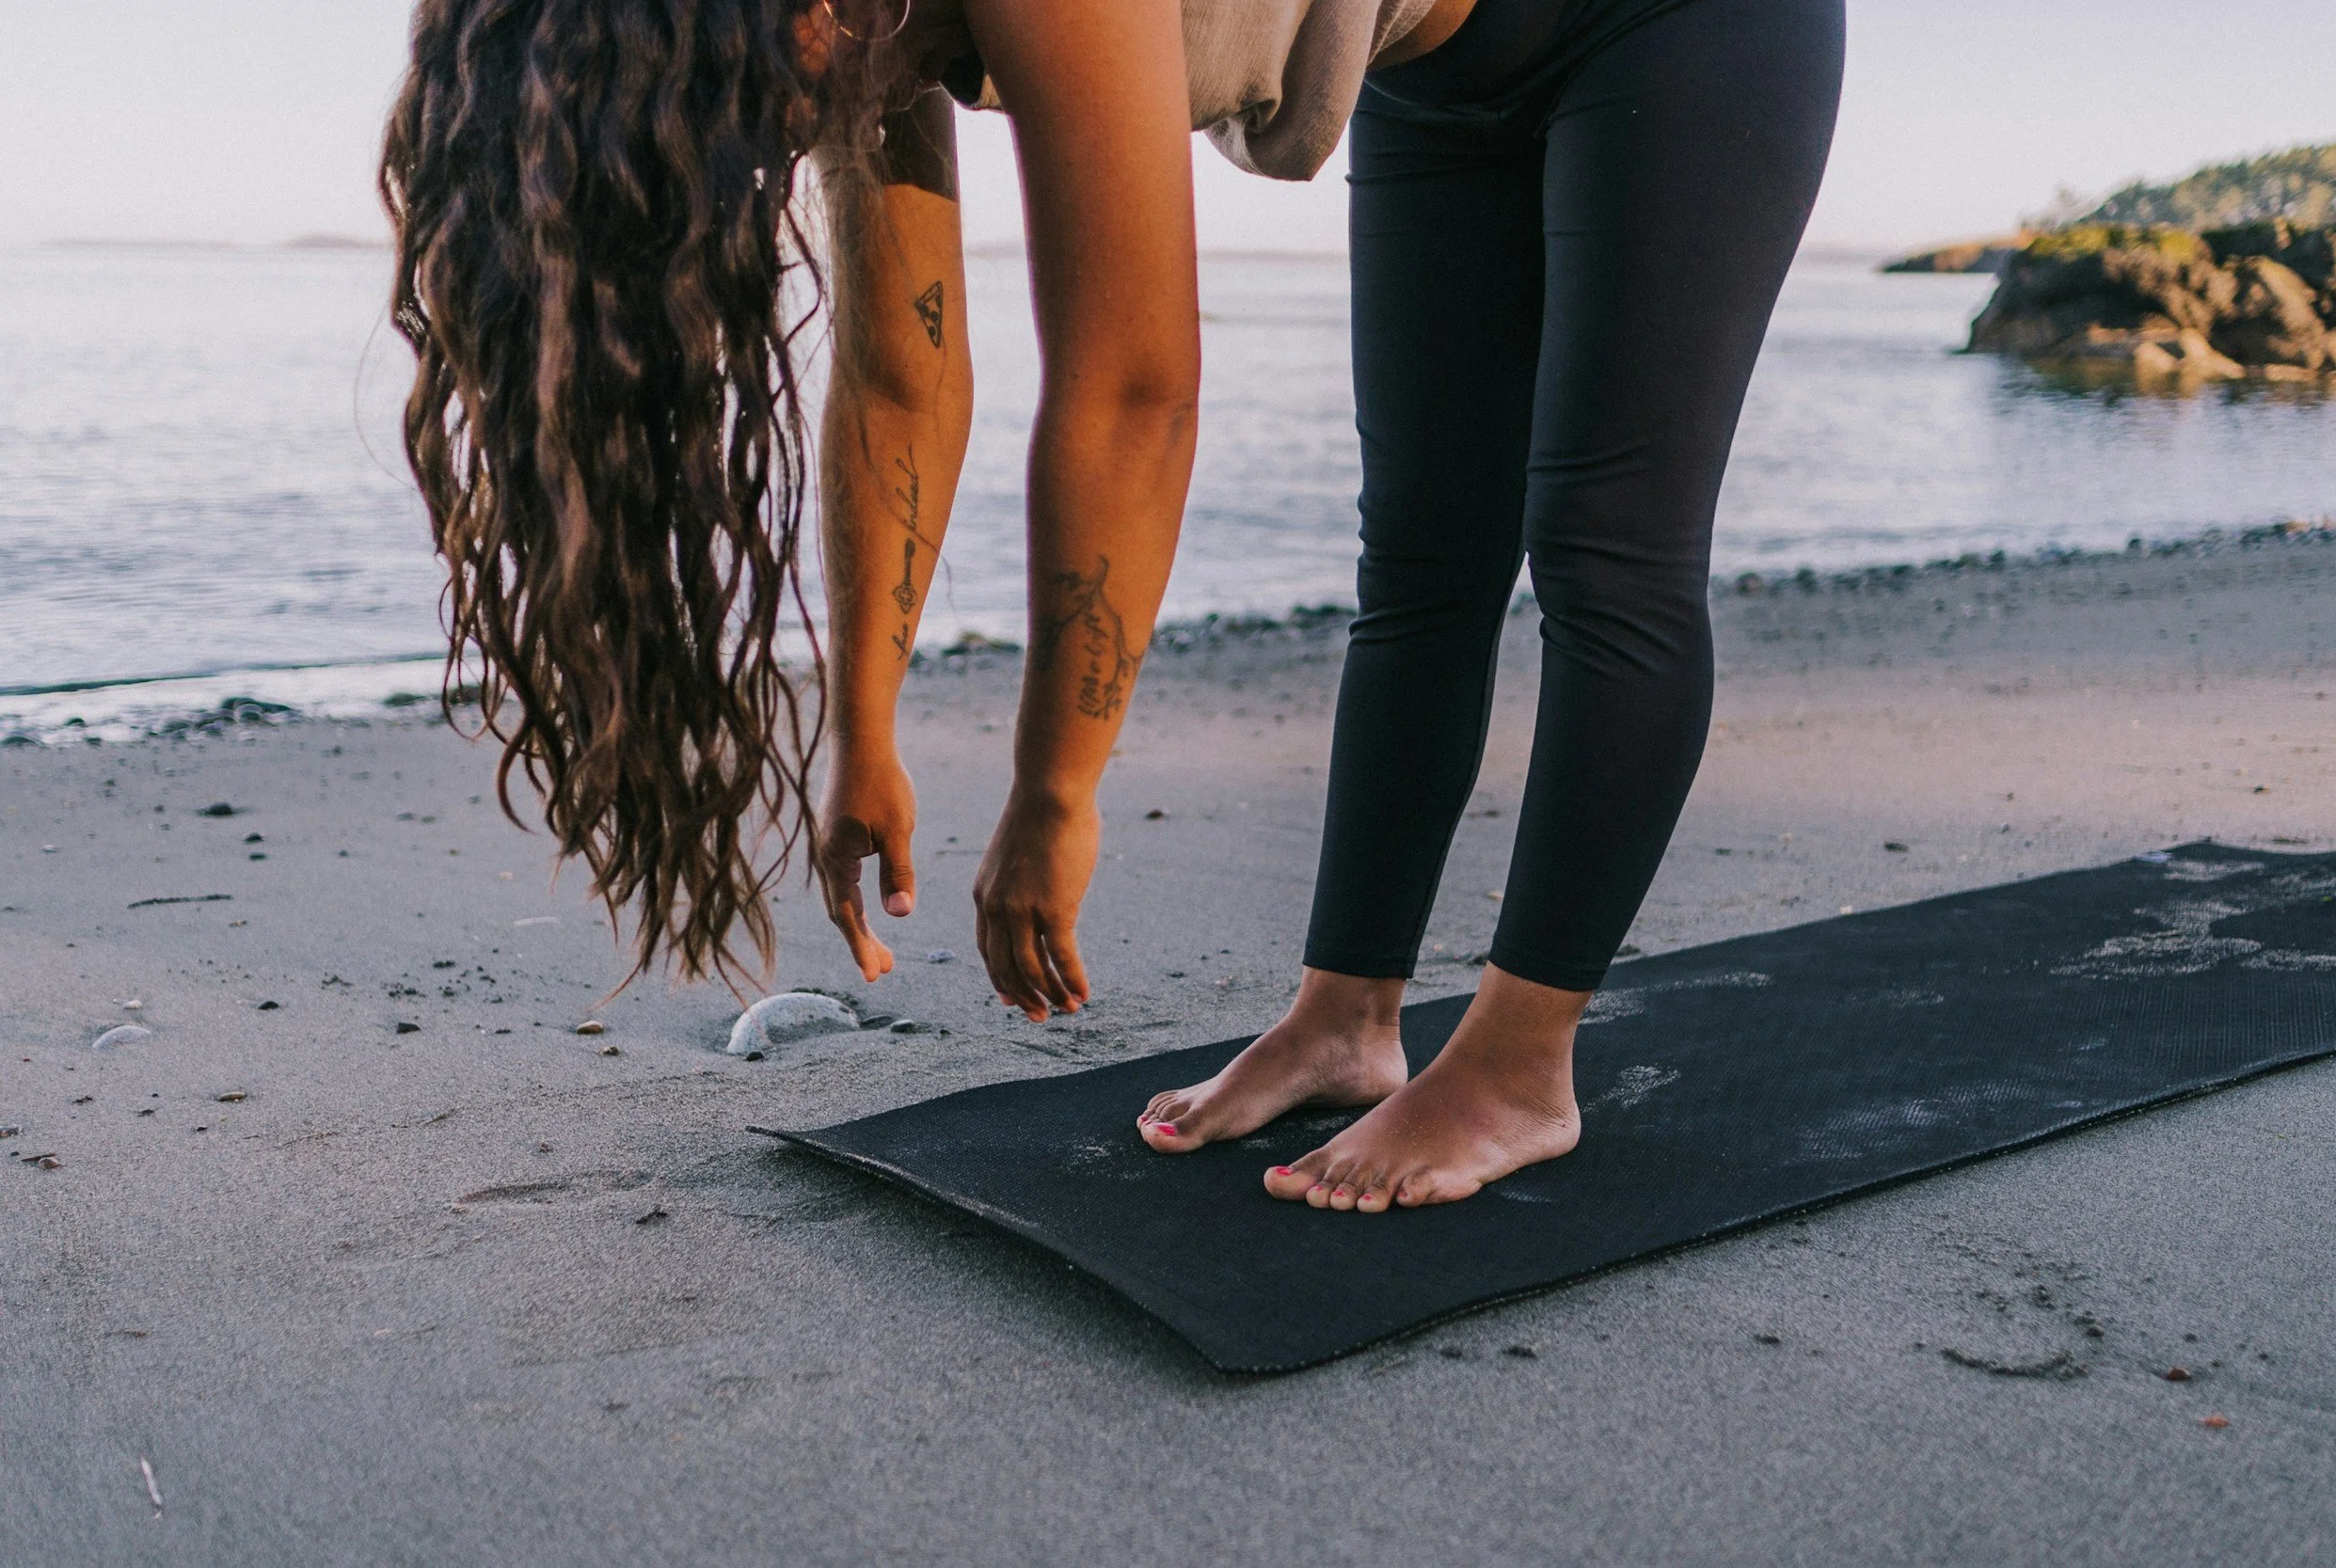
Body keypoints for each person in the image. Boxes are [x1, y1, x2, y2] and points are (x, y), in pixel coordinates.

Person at [380, 0, 1841, 1213]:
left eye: (726, 110)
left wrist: (1054, 789)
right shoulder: (856, 35)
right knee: (1422, 560)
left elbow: (1134, 390)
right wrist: (865, 730)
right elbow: (903, 373)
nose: (746, 153)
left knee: (1606, 550)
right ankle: (1349, 1019)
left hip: (1678, 27)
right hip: (1447, 77)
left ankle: (1522, 1064)